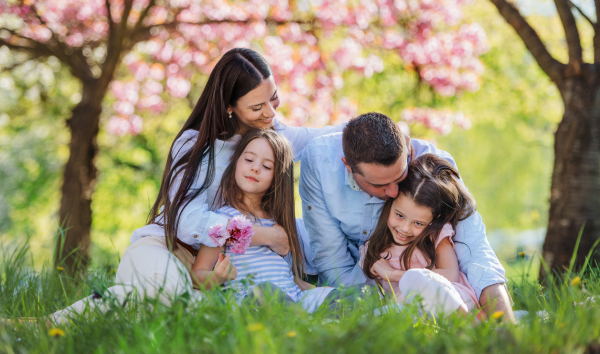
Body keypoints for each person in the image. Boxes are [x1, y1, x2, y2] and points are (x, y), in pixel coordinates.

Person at [45, 48, 346, 325]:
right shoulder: (195, 144)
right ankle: (48, 325)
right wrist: (262, 235)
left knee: (208, 314)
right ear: (229, 106)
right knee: (172, 295)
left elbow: (322, 138)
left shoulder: (268, 137)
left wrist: (379, 131)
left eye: (273, 99)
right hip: (168, 249)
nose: (271, 113)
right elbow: (187, 219)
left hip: (216, 271)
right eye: (257, 106)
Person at [300, 112, 515, 322]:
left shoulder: (435, 171)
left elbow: (475, 252)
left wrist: (504, 323)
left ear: (407, 144)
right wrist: (355, 306)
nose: (393, 193)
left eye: (400, 177)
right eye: (379, 185)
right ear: (347, 166)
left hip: (435, 292)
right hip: (377, 292)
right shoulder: (319, 163)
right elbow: (331, 259)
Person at [192, 128, 337, 312]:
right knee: (267, 290)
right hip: (253, 301)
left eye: (267, 166)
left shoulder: (278, 222)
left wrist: (324, 293)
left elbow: (289, 279)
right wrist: (217, 277)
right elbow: (197, 273)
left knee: (347, 295)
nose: (255, 168)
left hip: (295, 299)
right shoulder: (223, 220)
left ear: (277, 178)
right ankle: (307, 327)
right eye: (249, 160)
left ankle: (320, 320)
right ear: (236, 162)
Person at [360, 154, 484, 318]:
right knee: (376, 316)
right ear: (390, 204)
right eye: (399, 215)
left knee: (417, 280)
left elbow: (451, 274)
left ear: (434, 219)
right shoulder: (374, 250)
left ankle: (470, 323)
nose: (405, 228)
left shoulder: (435, 234)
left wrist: (393, 275)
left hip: (451, 299)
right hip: (414, 309)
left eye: (418, 223)